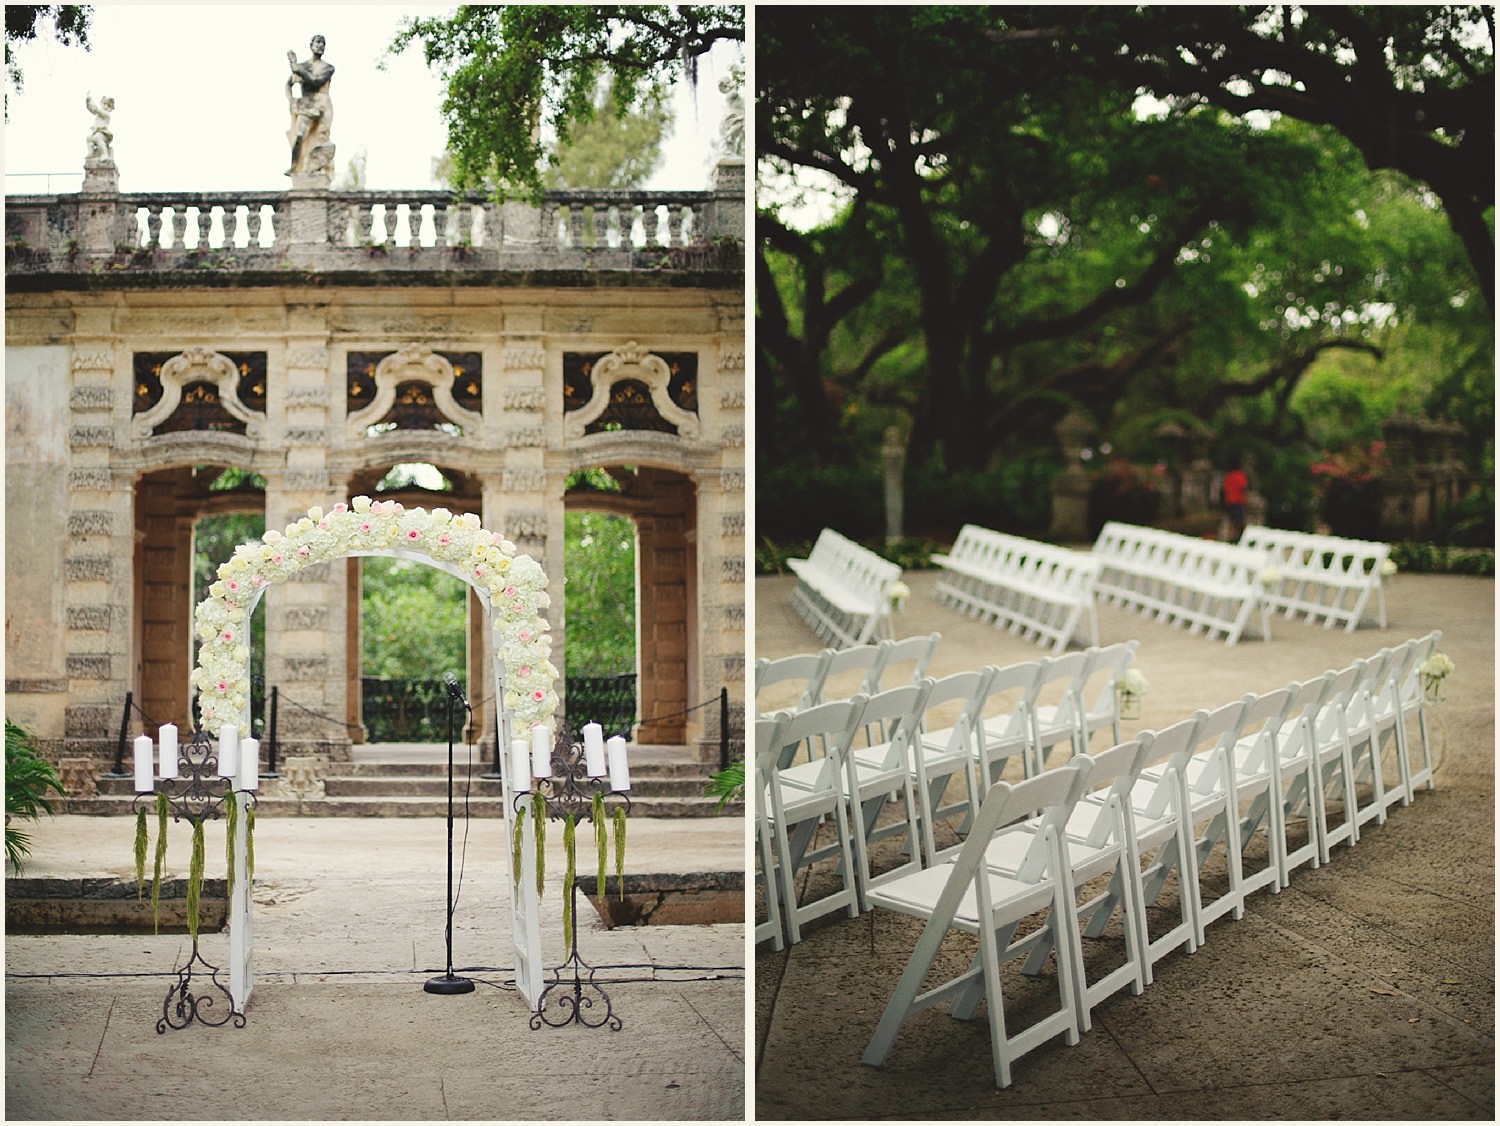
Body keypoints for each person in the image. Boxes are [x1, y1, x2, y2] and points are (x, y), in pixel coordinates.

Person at [285, 35, 334, 176]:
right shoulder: (303, 66)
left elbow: (316, 81)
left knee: (322, 139)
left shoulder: (328, 68)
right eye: (318, 42)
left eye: (323, 43)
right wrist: (291, 99)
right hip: (306, 104)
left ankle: (318, 169)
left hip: (323, 104)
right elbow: (288, 84)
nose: (321, 46)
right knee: (299, 136)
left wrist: (298, 69)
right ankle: (295, 167)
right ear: (311, 45)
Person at [1221, 463, 1249, 542]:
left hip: (1229, 502)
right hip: (1238, 502)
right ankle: (1238, 538)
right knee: (1240, 522)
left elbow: (1224, 489)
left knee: (1231, 521)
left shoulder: (1228, 476)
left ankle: (1231, 537)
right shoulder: (1239, 475)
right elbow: (1243, 487)